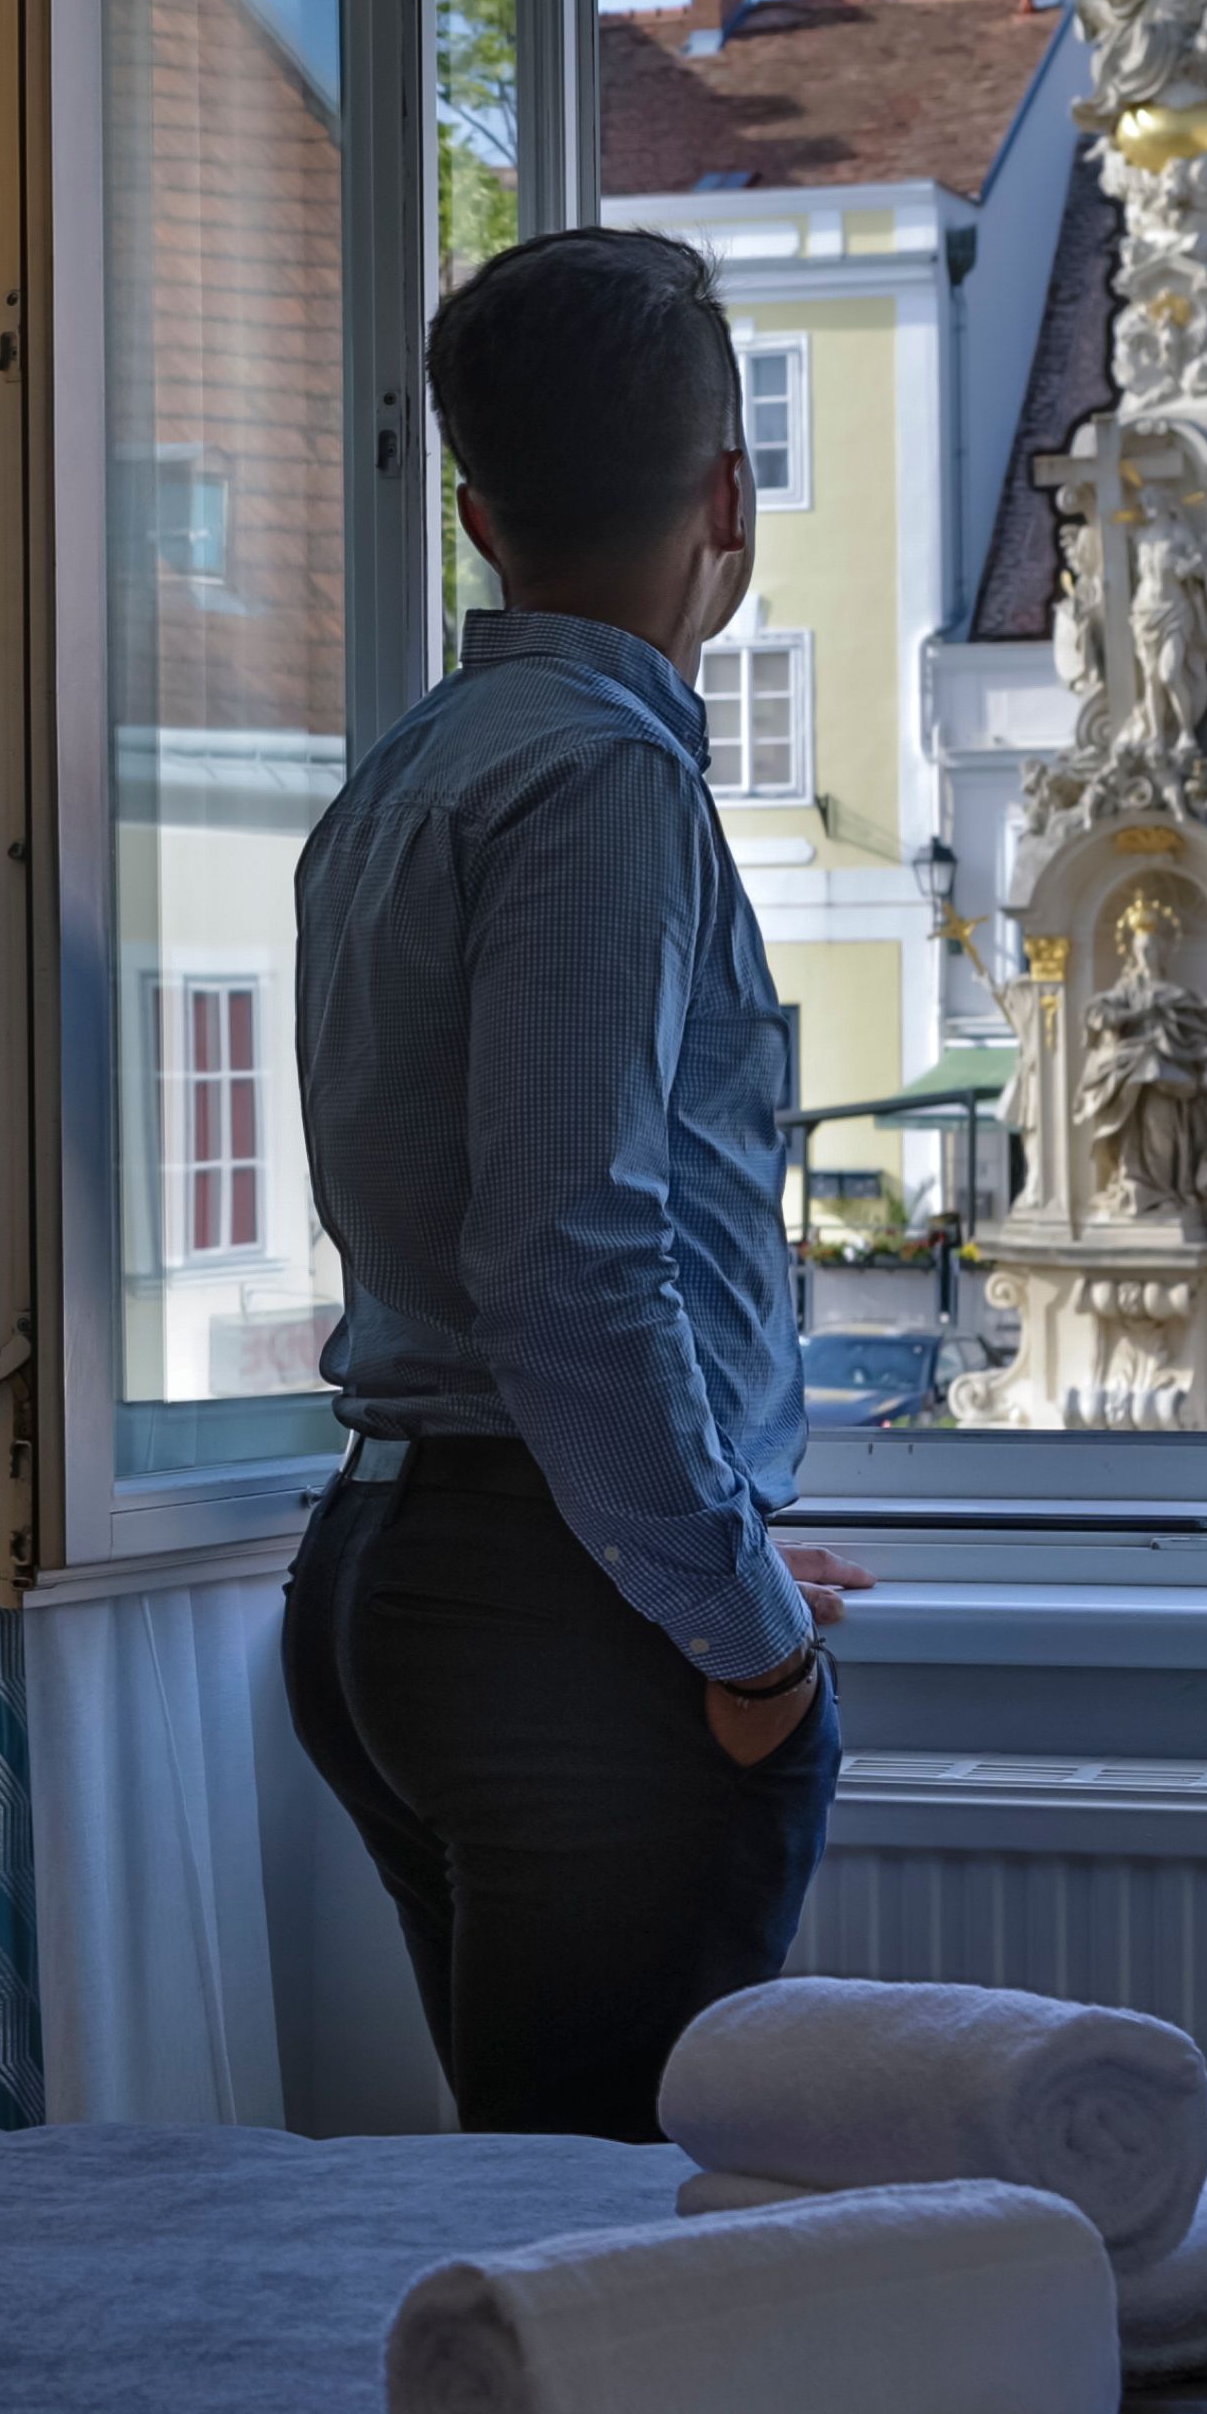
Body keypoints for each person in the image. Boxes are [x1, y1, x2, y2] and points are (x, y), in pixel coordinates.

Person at [282, 229, 875, 2143]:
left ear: (473, 510)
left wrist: (698, 1545)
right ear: (731, 499)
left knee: (526, 2211)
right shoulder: (602, 780)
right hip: (550, 1619)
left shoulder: (409, 771)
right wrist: (743, 1626)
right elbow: (572, 1260)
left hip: (395, 1571)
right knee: (612, 2255)